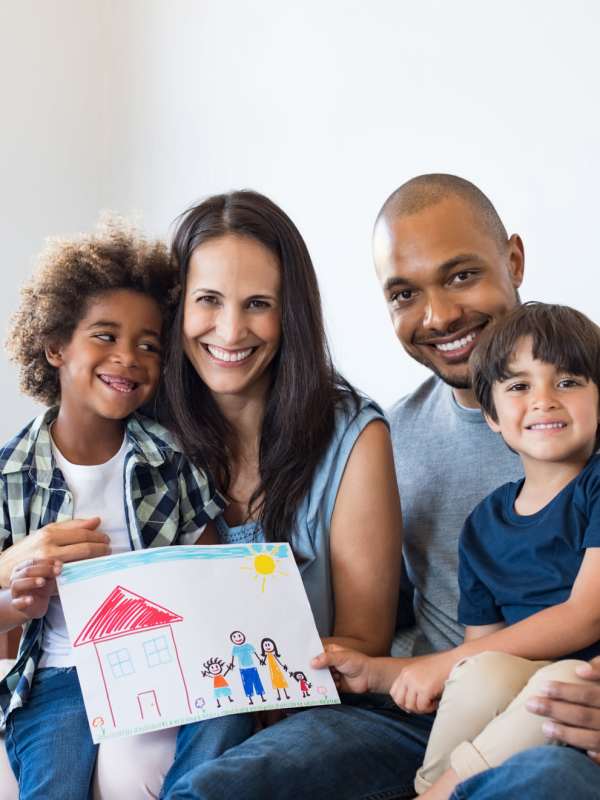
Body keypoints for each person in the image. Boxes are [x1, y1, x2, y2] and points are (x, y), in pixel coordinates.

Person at [158, 175, 600, 800]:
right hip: (418, 714)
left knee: (541, 782)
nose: (439, 315)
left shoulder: (585, 411)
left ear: (514, 260)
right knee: (221, 788)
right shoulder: (395, 434)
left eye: (461, 276)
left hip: (565, 713)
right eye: (403, 294)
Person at [92, 189, 402, 799]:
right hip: (161, 710)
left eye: (258, 304)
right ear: (176, 307)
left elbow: (366, 642)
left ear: (291, 315)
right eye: (208, 300)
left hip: (302, 711)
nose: (231, 330)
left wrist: (256, 687)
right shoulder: (136, 426)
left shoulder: (354, 438)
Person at [316, 302, 600, 799]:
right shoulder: (484, 525)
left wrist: (447, 663)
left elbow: (586, 615)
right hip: (517, 710)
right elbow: (475, 657)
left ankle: (438, 793)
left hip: (579, 697)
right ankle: (433, 786)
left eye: (569, 382)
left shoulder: (595, 487)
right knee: (481, 674)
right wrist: (396, 673)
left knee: (555, 681)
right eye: (519, 386)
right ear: (490, 414)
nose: (544, 400)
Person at [0, 221, 225, 800]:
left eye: (148, 344)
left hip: (161, 661)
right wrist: (15, 593)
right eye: (105, 336)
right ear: (55, 345)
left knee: (222, 718)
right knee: (54, 782)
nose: (128, 358)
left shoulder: (171, 459)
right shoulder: (9, 474)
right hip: (58, 674)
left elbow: (213, 567)